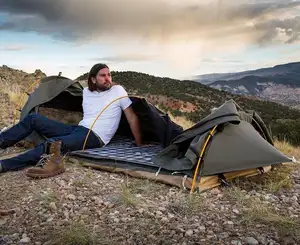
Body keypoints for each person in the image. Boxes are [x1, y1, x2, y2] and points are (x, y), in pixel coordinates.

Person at [0, 63, 143, 178]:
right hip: (79, 128)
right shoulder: (86, 92)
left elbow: (132, 117)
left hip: (95, 136)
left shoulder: (118, 91)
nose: (108, 78)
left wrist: (139, 143)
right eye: (103, 76)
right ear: (93, 79)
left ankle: (5, 165)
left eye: (109, 75)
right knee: (33, 119)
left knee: (52, 144)